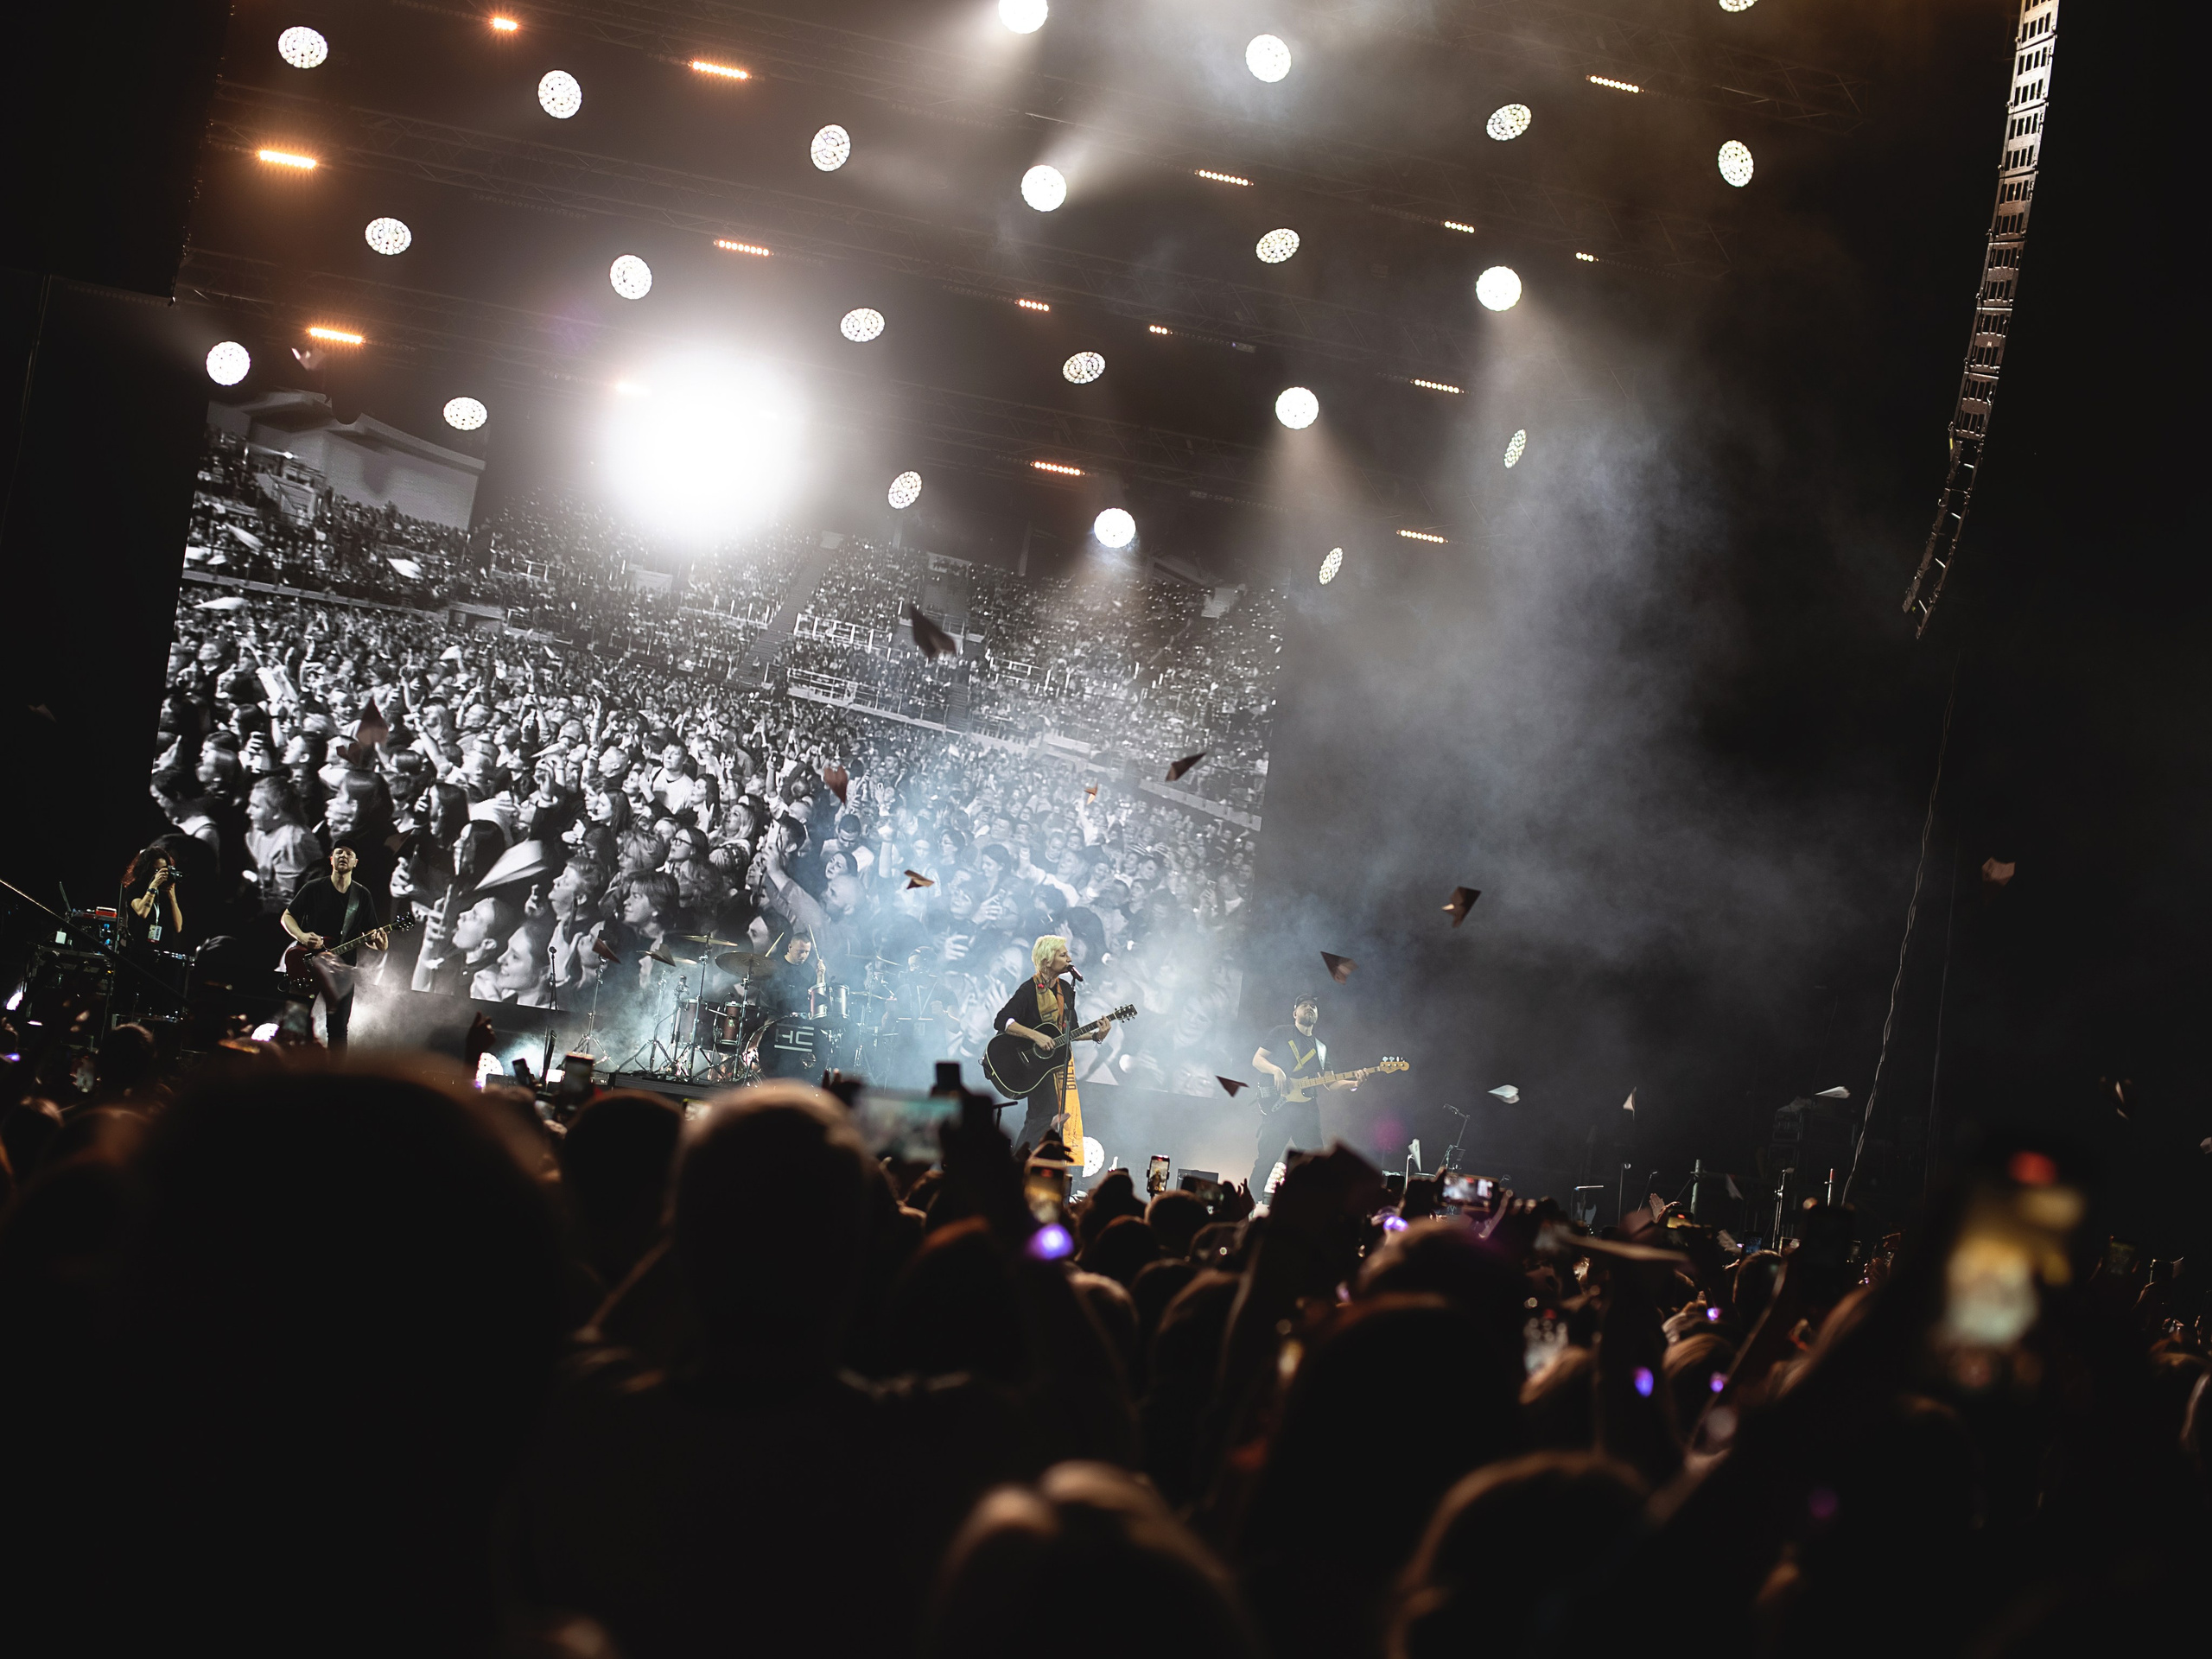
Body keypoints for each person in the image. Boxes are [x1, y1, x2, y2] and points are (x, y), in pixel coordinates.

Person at [990, 934, 1113, 1151]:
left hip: (1052, 1065)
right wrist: (1036, 1036)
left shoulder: (1065, 989)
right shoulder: (1029, 989)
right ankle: (1021, 1163)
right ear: (1047, 961)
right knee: (1041, 1119)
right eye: (1063, 955)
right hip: (1030, 1065)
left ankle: (1026, 1161)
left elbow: (1071, 1032)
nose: (1069, 959)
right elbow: (1003, 1021)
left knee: (1045, 1120)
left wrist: (1096, 1036)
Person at [279, 836, 391, 1049]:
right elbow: (287, 917)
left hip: (342, 971)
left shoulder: (362, 895)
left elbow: (371, 936)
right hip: (308, 964)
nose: (344, 856)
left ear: (355, 862)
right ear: (331, 859)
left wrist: (381, 942)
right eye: (339, 852)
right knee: (295, 1023)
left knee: (338, 1031)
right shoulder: (313, 888)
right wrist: (302, 936)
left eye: (349, 854)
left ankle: (334, 1070)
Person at [1248, 994, 1357, 1194]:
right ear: (1295, 1013)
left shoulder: (1321, 1048)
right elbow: (1258, 1060)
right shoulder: (1281, 1032)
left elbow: (1330, 1082)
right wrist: (1276, 1070)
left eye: (1313, 1006)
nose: (1309, 1008)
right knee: (1266, 1161)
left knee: (1316, 1162)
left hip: (1306, 1110)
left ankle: (1309, 1207)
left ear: (1317, 1014)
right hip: (1278, 1107)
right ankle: (1247, 1205)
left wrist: (1354, 1083)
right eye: (1304, 1005)